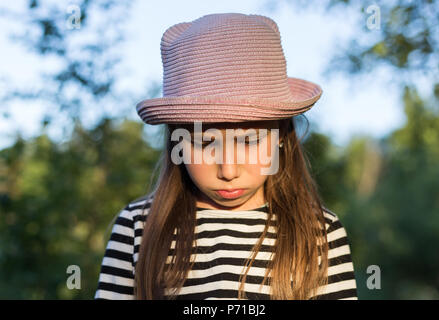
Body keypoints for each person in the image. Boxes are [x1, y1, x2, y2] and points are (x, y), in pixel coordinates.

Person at [94, 12, 358, 300]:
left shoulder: (319, 234)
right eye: (205, 143)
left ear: (281, 136)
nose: (228, 170)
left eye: (249, 141)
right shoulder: (138, 228)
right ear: (178, 144)